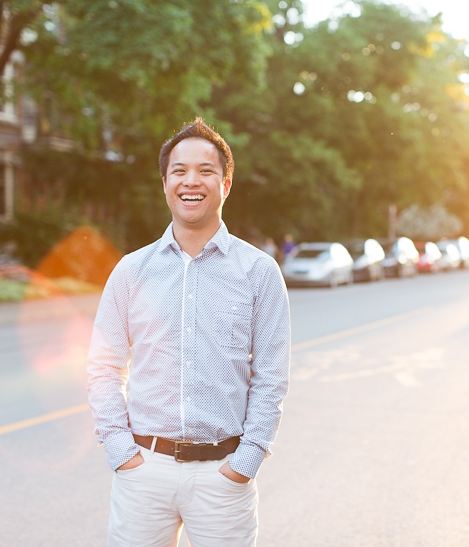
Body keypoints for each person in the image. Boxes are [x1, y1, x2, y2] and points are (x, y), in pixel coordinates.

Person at [87, 118, 290, 547]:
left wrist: (246, 460)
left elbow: (272, 375)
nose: (190, 181)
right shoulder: (131, 271)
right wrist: (122, 452)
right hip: (144, 472)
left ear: (226, 183)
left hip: (223, 476)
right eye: (179, 171)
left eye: (205, 170)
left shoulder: (258, 272)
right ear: (165, 183)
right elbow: (103, 366)